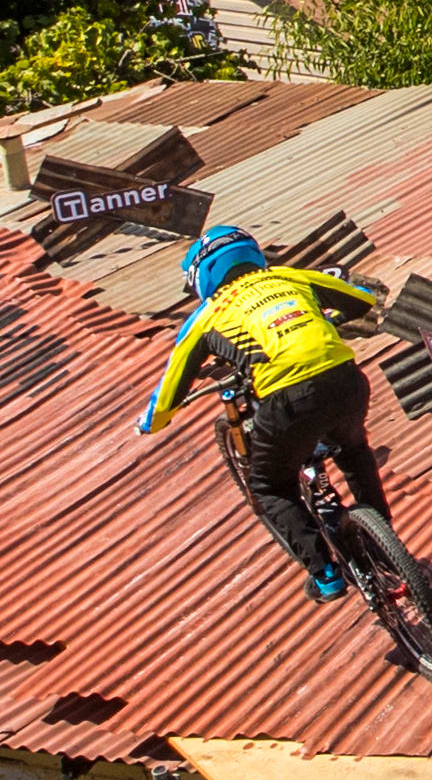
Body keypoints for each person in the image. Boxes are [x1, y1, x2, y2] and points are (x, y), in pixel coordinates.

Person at [137, 224, 393, 602]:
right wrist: (320, 320)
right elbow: (361, 299)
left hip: (287, 398)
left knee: (270, 486)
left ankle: (325, 575)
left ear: (202, 276)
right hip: (346, 380)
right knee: (352, 449)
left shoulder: (209, 314)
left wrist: (151, 422)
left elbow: (173, 384)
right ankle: (385, 540)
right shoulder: (290, 277)